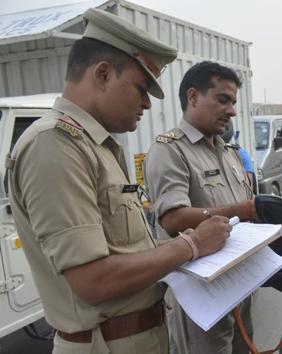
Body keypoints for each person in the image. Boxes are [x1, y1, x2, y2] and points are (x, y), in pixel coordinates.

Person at [7, 9, 232, 354]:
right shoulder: (54, 144)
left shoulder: (95, 146)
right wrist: (192, 246)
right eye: (142, 88)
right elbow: (93, 280)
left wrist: (188, 242)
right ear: (102, 74)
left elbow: (127, 253)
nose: (146, 103)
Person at [145, 61, 256, 354]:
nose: (232, 111)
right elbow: (173, 219)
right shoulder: (169, 150)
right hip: (201, 298)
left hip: (240, 286)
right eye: (222, 100)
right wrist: (245, 210)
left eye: (233, 102)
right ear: (193, 97)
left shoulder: (229, 152)